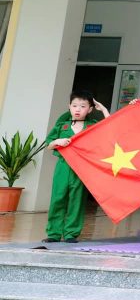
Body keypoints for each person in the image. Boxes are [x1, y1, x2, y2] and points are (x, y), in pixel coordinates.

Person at [43, 90, 109, 243]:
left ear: (90, 109)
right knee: (57, 199)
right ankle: (53, 233)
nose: (78, 109)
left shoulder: (92, 126)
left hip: (82, 169)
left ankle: (71, 233)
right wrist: (57, 142)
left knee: (77, 200)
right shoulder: (62, 126)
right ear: (69, 107)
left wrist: (103, 109)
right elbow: (49, 144)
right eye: (74, 105)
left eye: (83, 106)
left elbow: (109, 128)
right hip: (63, 167)